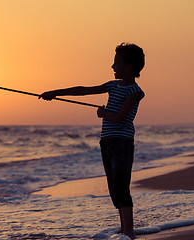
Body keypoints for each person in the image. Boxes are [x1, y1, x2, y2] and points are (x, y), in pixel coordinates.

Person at [39, 42, 145, 240]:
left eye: (116, 63)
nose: (113, 67)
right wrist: (55, 93)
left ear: (129, 67)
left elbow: (120, 117)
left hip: (122, 143)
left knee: (121, 185)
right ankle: (123, 229)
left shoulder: (136, 92)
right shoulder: (112, 85)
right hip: (106, 142)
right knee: (114, 186)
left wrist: (103, 112)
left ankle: (129, 231)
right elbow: (82, 90)